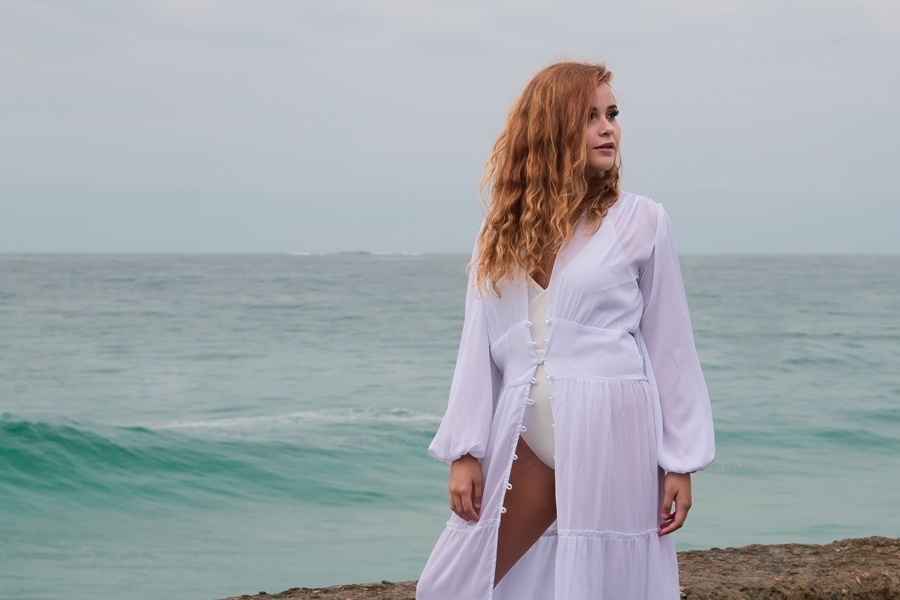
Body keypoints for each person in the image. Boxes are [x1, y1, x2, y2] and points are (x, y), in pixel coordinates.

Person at [416, 61, 716, 599]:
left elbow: (670, 346)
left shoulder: (642, 220)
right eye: (590, 116)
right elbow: (477, 349)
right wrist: (465, 449)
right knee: (451, 585)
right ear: (551, 128)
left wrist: (680, 461)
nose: (608, 128)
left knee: (599, 582)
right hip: (523, 427)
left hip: (614, 428)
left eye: (612, 114)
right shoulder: (498, 233)